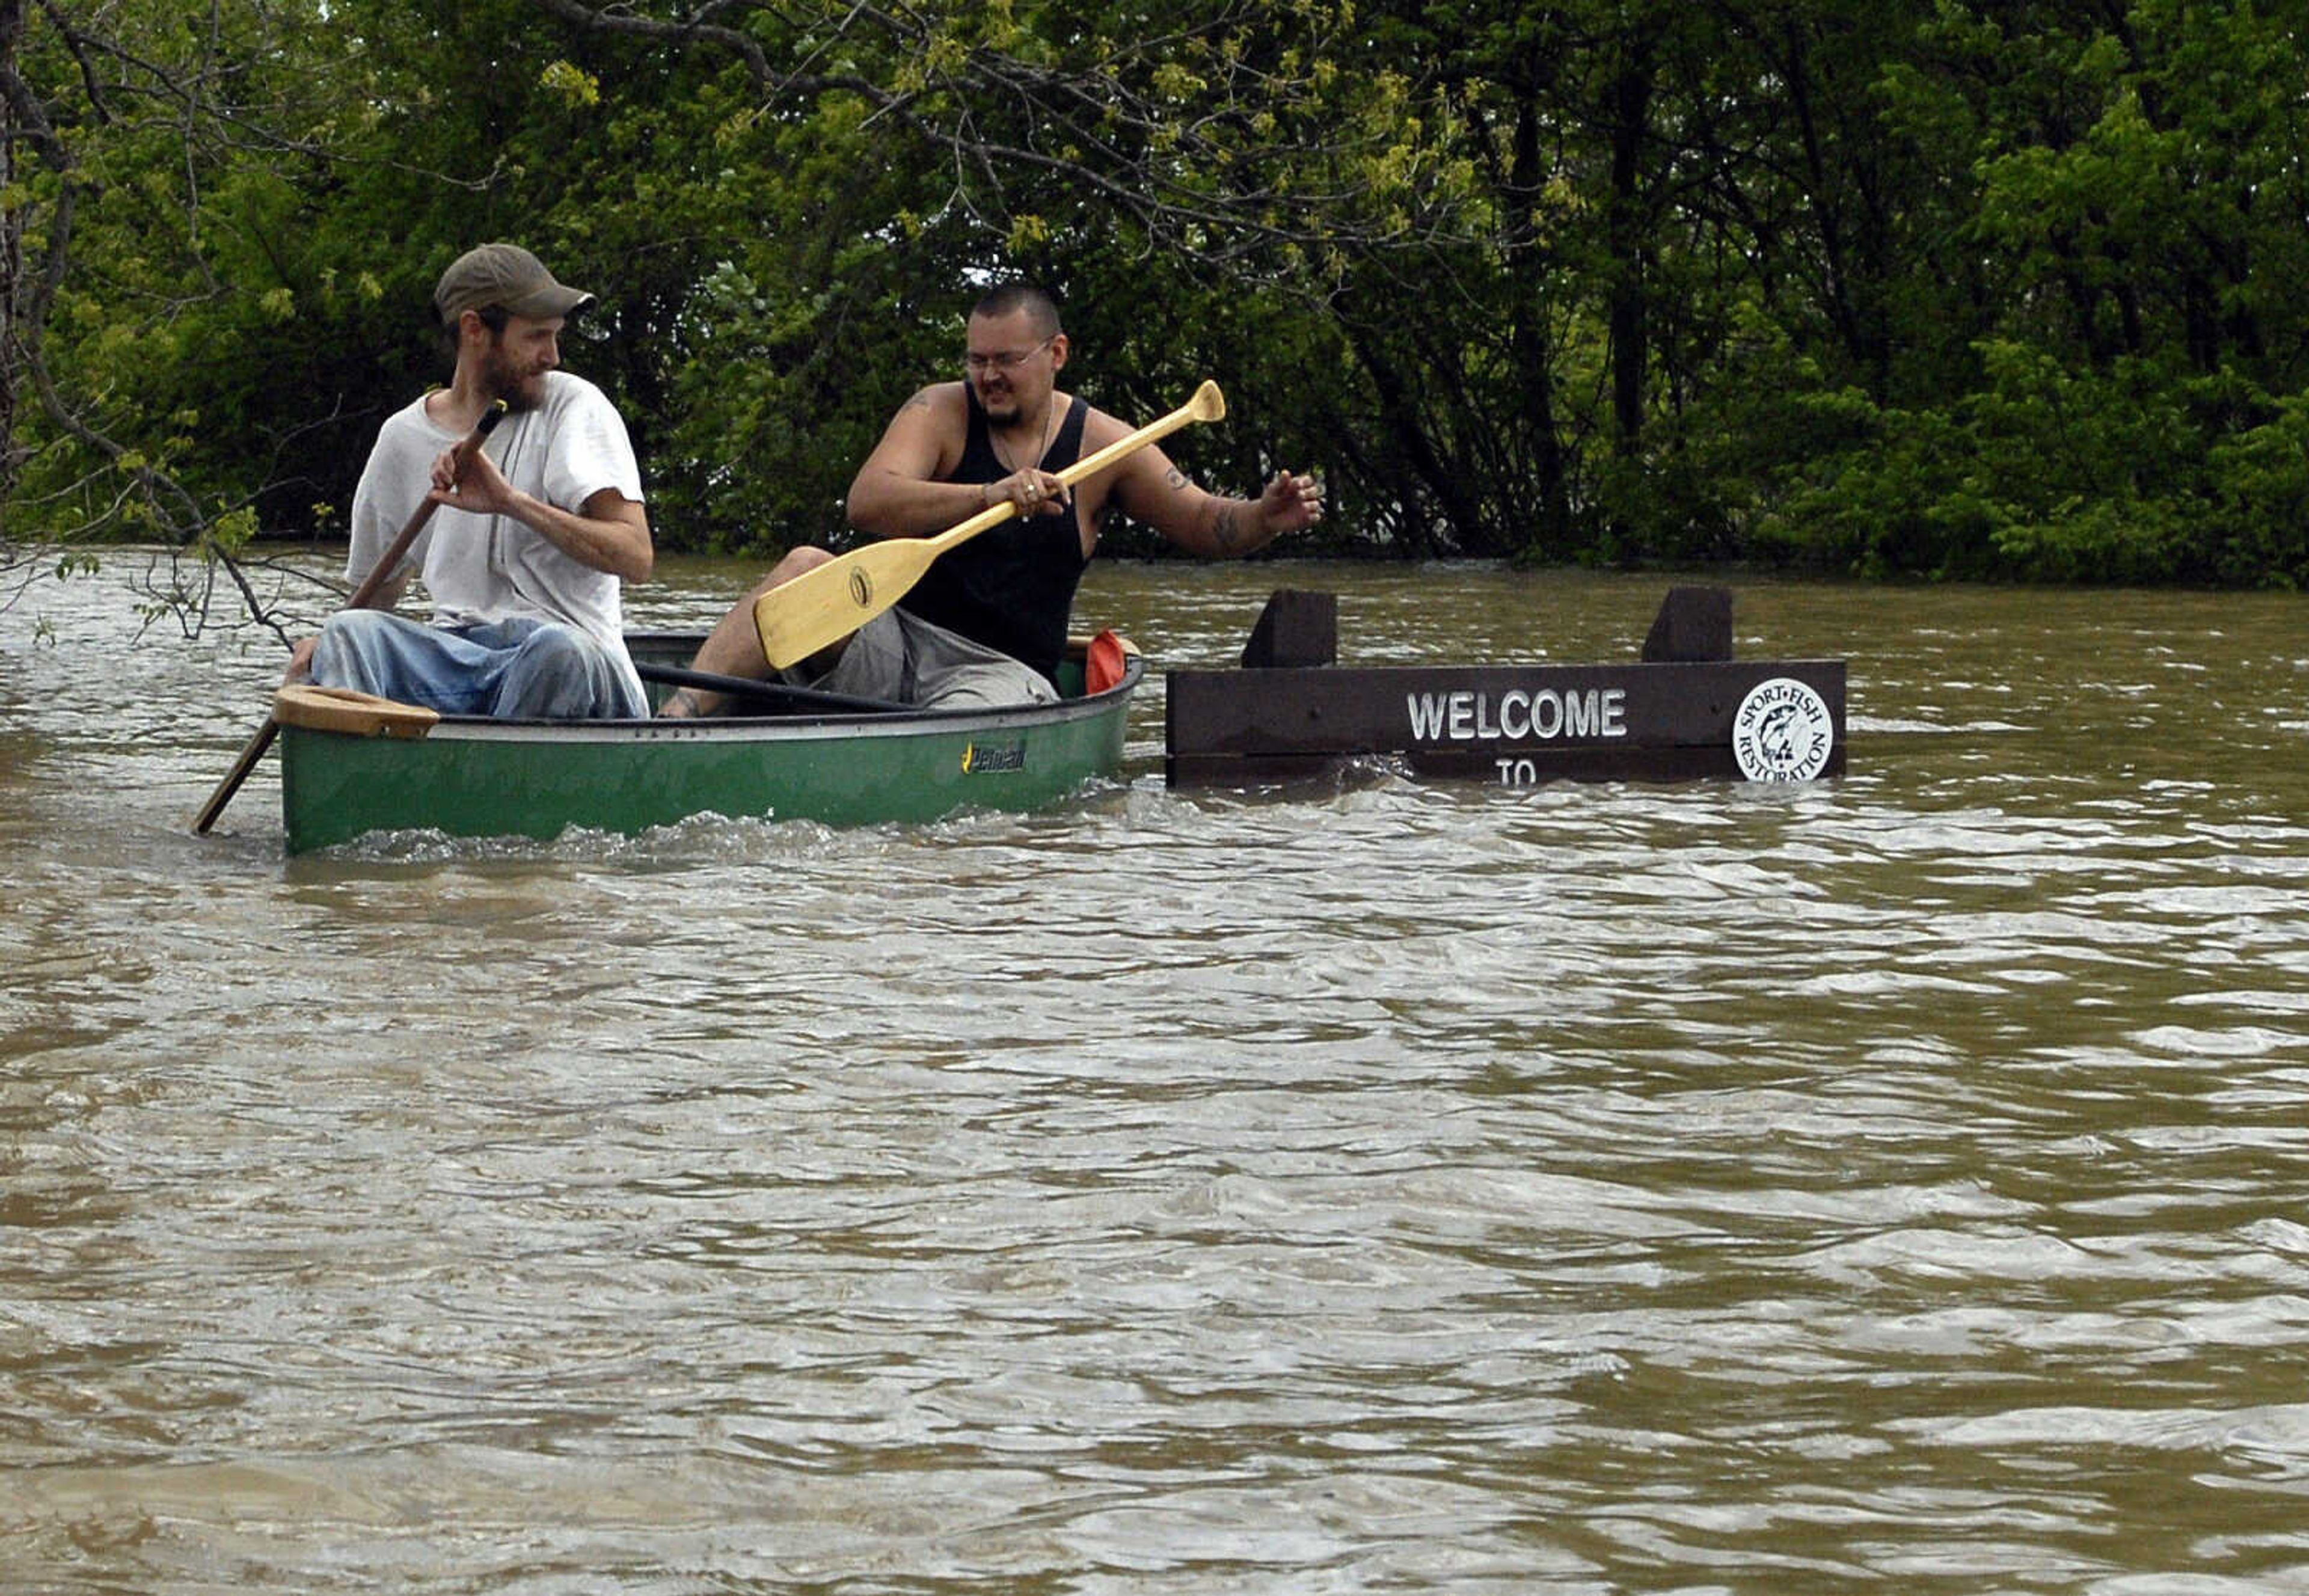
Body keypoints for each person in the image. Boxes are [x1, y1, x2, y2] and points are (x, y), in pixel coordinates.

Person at [659, 282, 1323, 716]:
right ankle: (673, 721)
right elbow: (868, 501)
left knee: (968, 724)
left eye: (1006, 360)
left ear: (1056, 352)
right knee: (805, 565)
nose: (988, 377)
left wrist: (1267, 515)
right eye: (977, 360)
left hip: (1001, 675)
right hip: (895, 639)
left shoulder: (1104, 444)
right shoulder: (940, 411)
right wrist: (988, 494)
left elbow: (1207, 522)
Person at [287, 243, 653, 719]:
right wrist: (326, 649)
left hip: (577, 659)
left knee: (557, 652)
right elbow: (375, 596)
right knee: (351, 633)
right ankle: (371, 781)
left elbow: (637, 558)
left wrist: (511, 502)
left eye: (556, 337)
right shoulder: (401, 438)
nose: (553, 357)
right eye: (537, 337)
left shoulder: (574, 407)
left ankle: (482, 776)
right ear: (475, 330)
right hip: (459, 659)